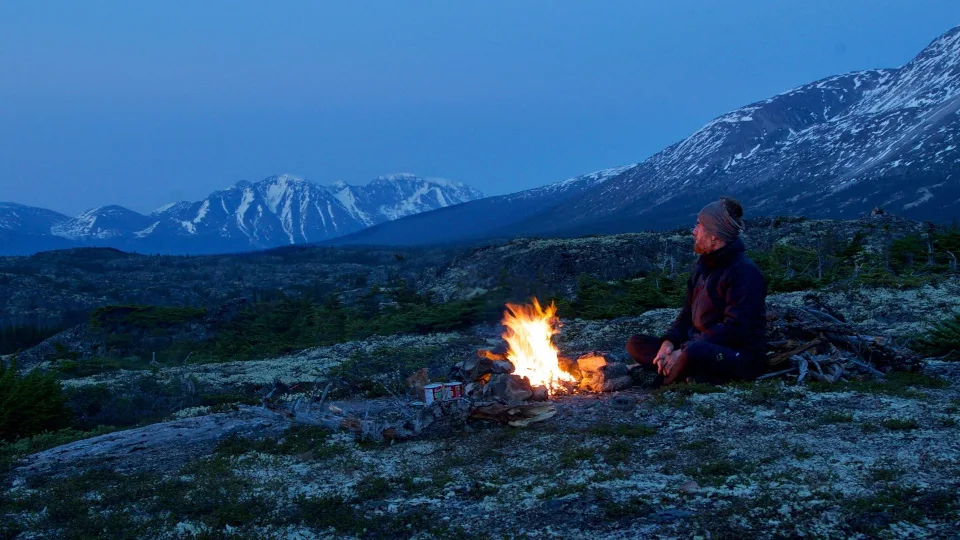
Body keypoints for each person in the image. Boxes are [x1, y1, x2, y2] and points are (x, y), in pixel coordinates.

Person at [626, 196, 767, 385]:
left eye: (699, 225)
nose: (694, 232)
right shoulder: (703, 267)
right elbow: (686, 315)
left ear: (714, 235)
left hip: (736, 353)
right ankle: (679, 369)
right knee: (635, 343)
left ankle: (664, 380)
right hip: (695, 344)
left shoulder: (744, 272)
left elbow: (734, 329)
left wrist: (683, 350)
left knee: (694, 353)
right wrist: (668, 344)